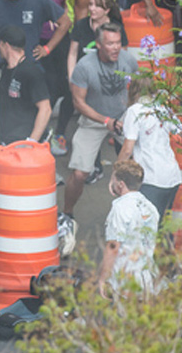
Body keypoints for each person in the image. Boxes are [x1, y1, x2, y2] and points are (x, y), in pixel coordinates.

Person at [62, 22, 137, 220]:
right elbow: (78, 103)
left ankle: (134, 212)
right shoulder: (85, 66)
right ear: (98, 45)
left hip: (121, 115)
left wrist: (132, 115)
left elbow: (138, 90)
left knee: (135, 166)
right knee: (80, 174)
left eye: (118, 43)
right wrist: (105, 120)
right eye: (110, 43)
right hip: (94, 118)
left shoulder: (128, 60)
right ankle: (67, 213)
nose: (115, 48)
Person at [63, 0, 128, 179]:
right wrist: (71, 77)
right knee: (91, 124)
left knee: (117, 126)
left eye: (96, 5)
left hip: (109, 85)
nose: (91, 8)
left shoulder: (116, 28)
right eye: (90, 4)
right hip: (86, 84)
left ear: (107, 9)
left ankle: (123, 166)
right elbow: (73, 53)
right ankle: (93, 166)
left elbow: (122, 57)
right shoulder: (82, 25)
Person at [117, 75, 181, 221]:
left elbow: (127, 149)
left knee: (147, 226)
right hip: (173, 176)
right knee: (164, 226)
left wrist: (116, 172)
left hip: (151, 178)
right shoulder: (163, 108)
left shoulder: (134, 111)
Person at [33, 0, 75, 156]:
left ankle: (60, 132)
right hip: (43, 40)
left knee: (70, 87)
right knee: (49, 86)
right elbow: (35, 5)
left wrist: (62, 23)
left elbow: (68, 8)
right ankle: (40, 132)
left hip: (62, 37)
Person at [98, 159, 159, 298]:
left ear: (120, 184)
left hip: (124, 280)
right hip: (147, 277)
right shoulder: (150, 207)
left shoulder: (120, 209)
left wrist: (103, 279)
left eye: (112, 178)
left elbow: (113, 247)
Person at [0, 26, 52, 152]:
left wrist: (31, 142)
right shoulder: (3, 68)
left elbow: (46, 109)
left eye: (0, 45)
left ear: (5, 45)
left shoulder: (31, 72)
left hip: (25, 142)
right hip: (7, 141)